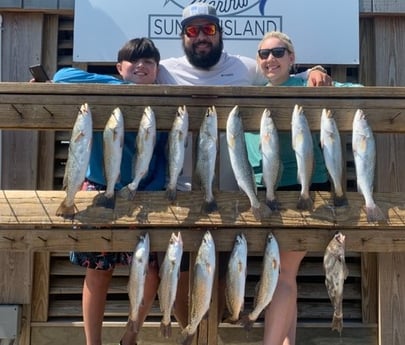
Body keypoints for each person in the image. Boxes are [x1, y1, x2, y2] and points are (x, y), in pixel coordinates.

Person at [153, 2, 334, 333]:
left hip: (234, 192)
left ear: (220, 33)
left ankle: (220, 330)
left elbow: (283, 75)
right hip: (178, 192)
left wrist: (316, 70)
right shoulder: (164, 69)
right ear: (183, 37)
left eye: (208, 29)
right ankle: (187, 330)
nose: (201, 37)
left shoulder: (246, 67)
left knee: (225, 271)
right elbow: (124, 77)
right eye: (193, 31)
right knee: (176, 273)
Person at [250, 30, 361, 345]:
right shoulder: (251, 94)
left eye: (278, 52)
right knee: (286, 272)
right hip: (268, 192)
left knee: (282, 272)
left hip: (305, 189)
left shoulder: (308, 84)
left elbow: (359, 91)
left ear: (292, 58)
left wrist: (320, 76)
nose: (270, 58)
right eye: (264, 54)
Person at [53, 38, 166, 345]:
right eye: (133, 61)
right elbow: (62, 77)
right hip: (97, 190)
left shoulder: (164, 103)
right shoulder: (105, 89)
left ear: (158, 70)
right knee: (97, 272)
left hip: (143, 195)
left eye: (149, 63)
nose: (141, 67)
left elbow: (163, 158)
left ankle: (130, 336)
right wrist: (121, 87)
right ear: (120, 67)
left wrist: (148, 192)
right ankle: (94, 342)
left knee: (150, 273)